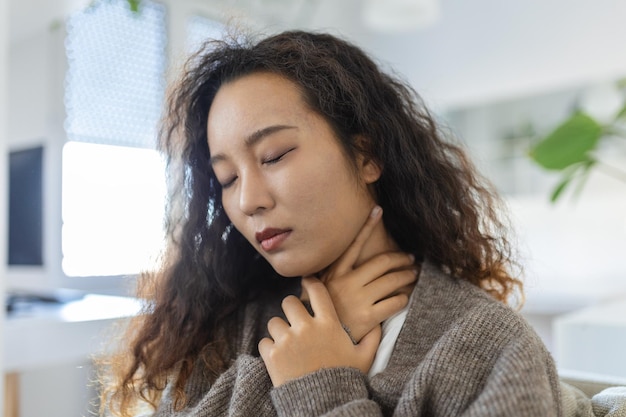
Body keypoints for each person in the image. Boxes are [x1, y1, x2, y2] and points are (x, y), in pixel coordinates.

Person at [98, 30, 563, 417]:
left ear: (366, 154)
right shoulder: (227, 323)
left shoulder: (487, 346)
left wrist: (320, 391)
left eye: (275, 155)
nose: (249, 200)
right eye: (227, 177)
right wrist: (300, 348)